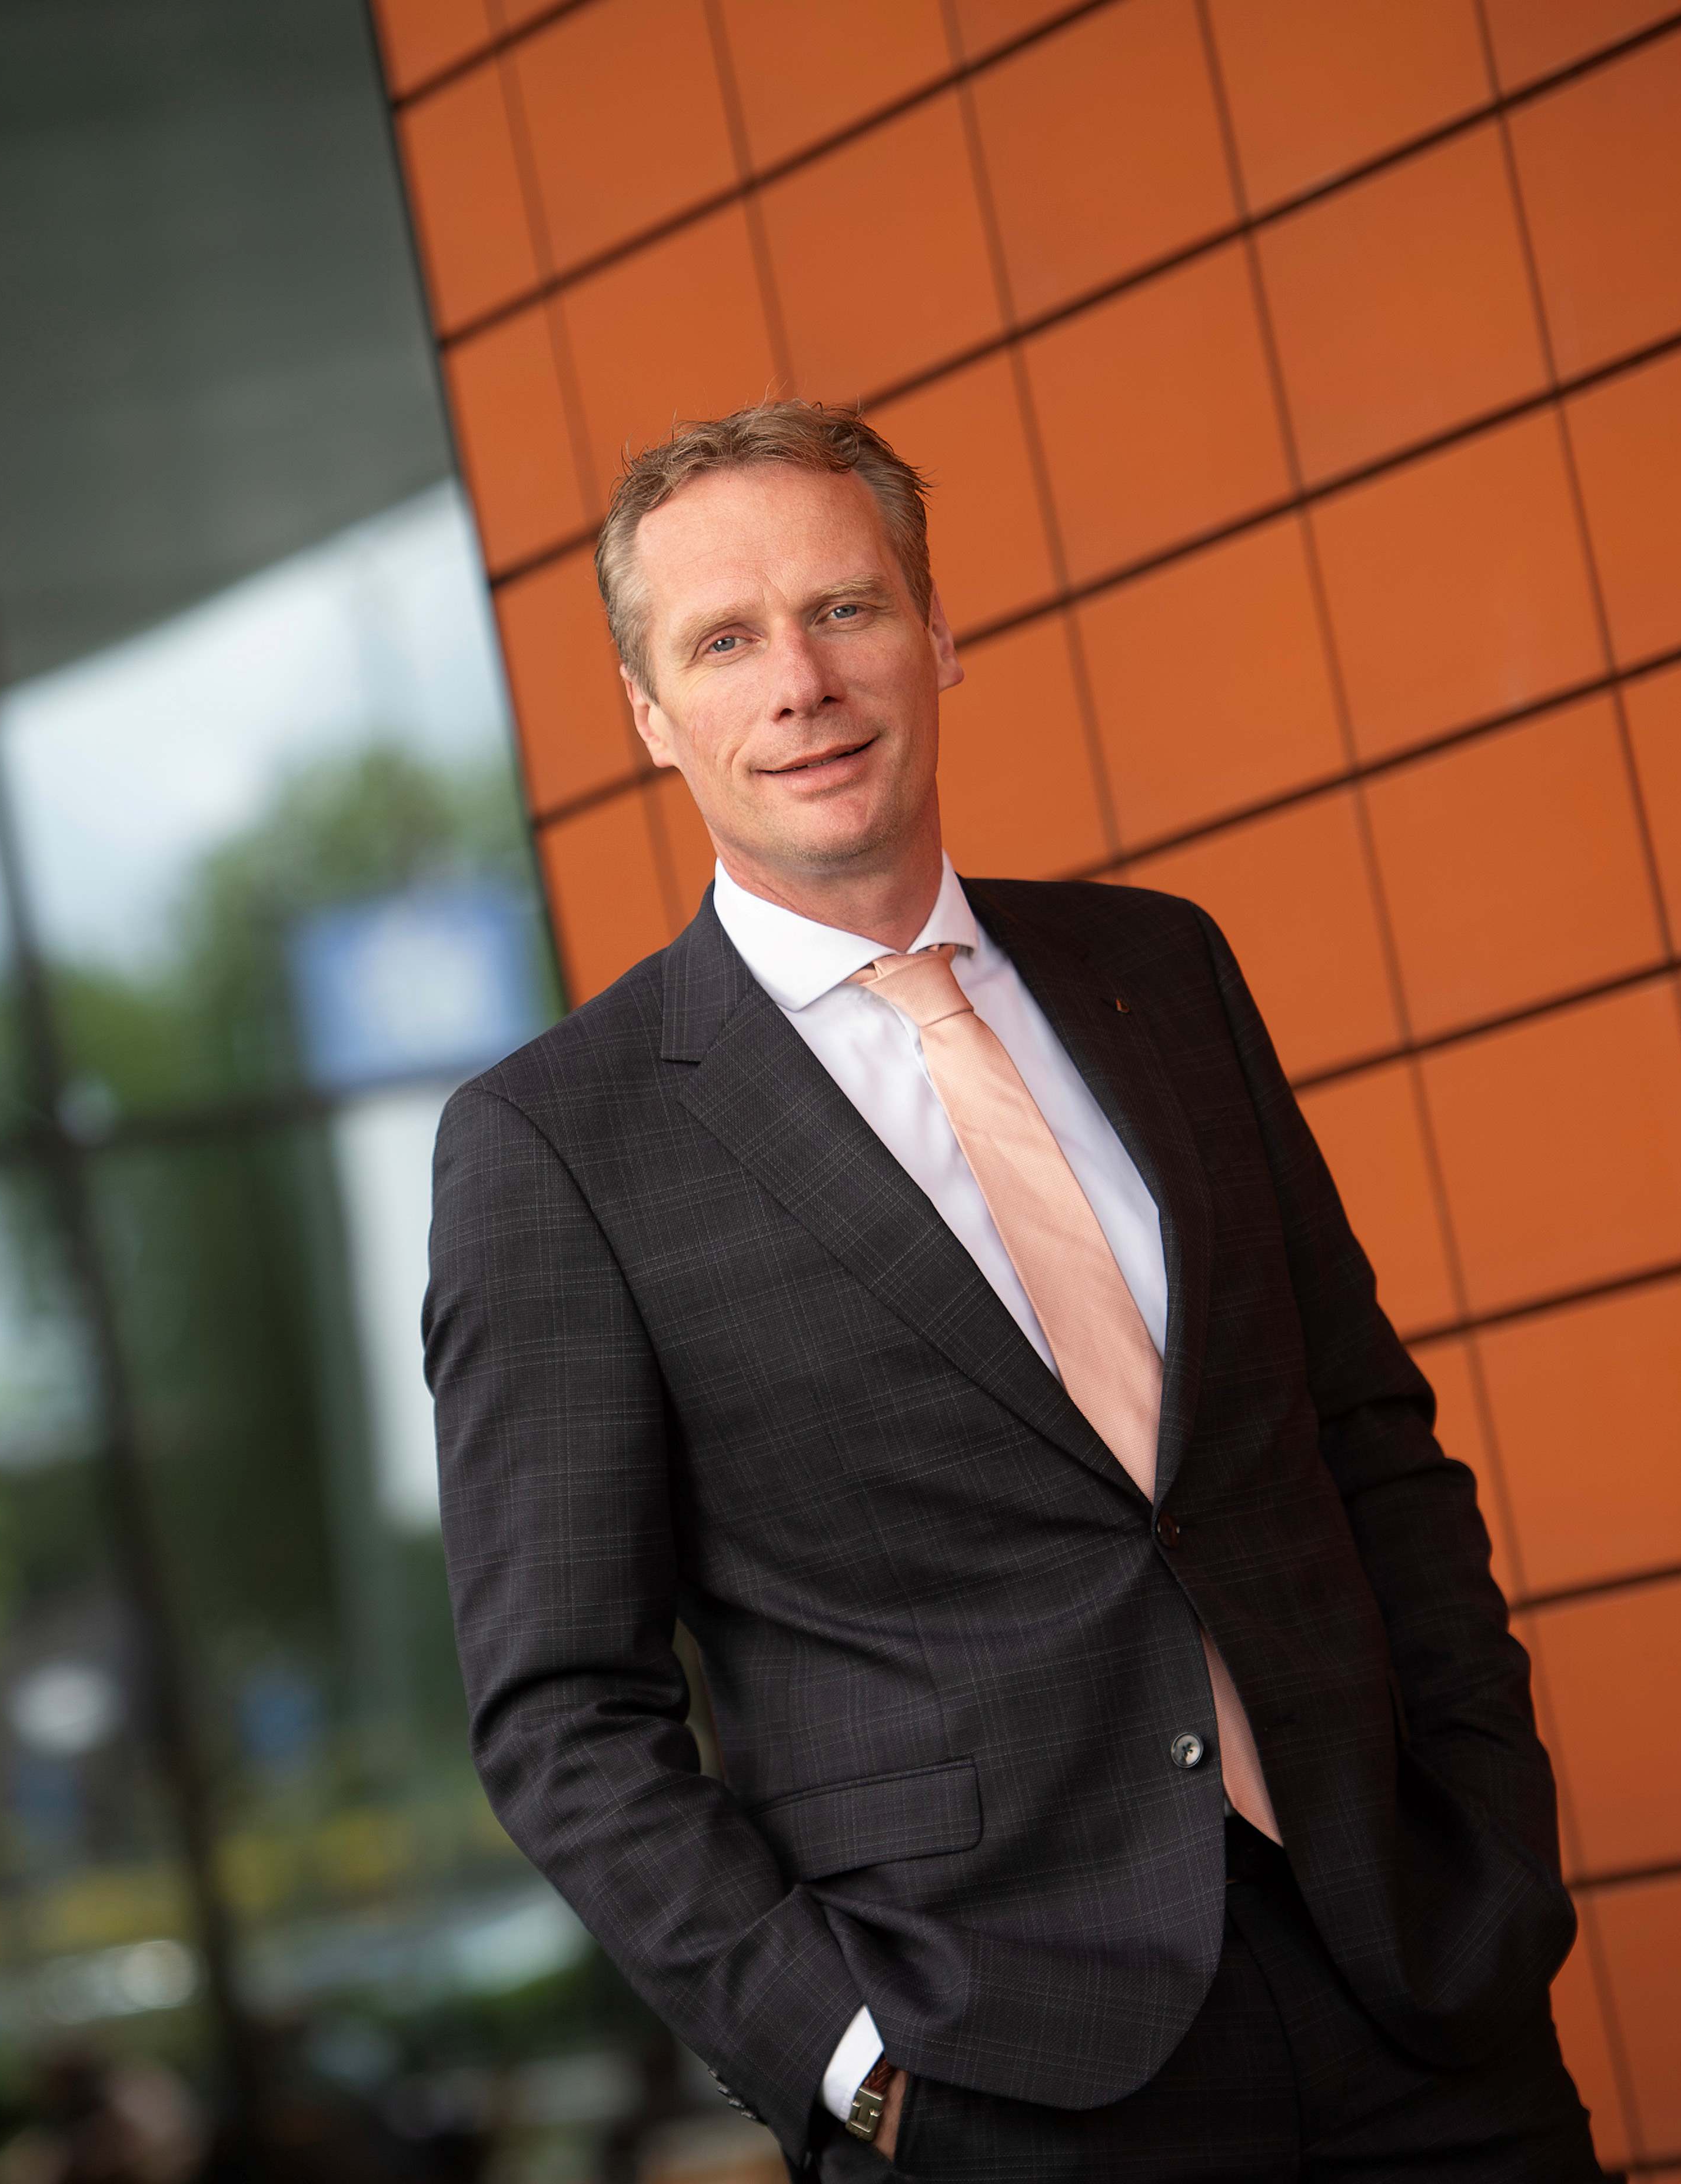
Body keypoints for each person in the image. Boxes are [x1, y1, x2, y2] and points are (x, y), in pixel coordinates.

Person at [422, 402, 1601, 2180]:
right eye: (725, 643)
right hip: (1000, 2076)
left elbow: (1366, 1438)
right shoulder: (560, 1146)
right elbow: (563, 1716)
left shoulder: (1161, 970)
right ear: (651, 717)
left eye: (845, 609)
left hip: (1408, 1982)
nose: (801, 684)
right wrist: (852, 2066)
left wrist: (1488, 1830)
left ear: (936, 633)